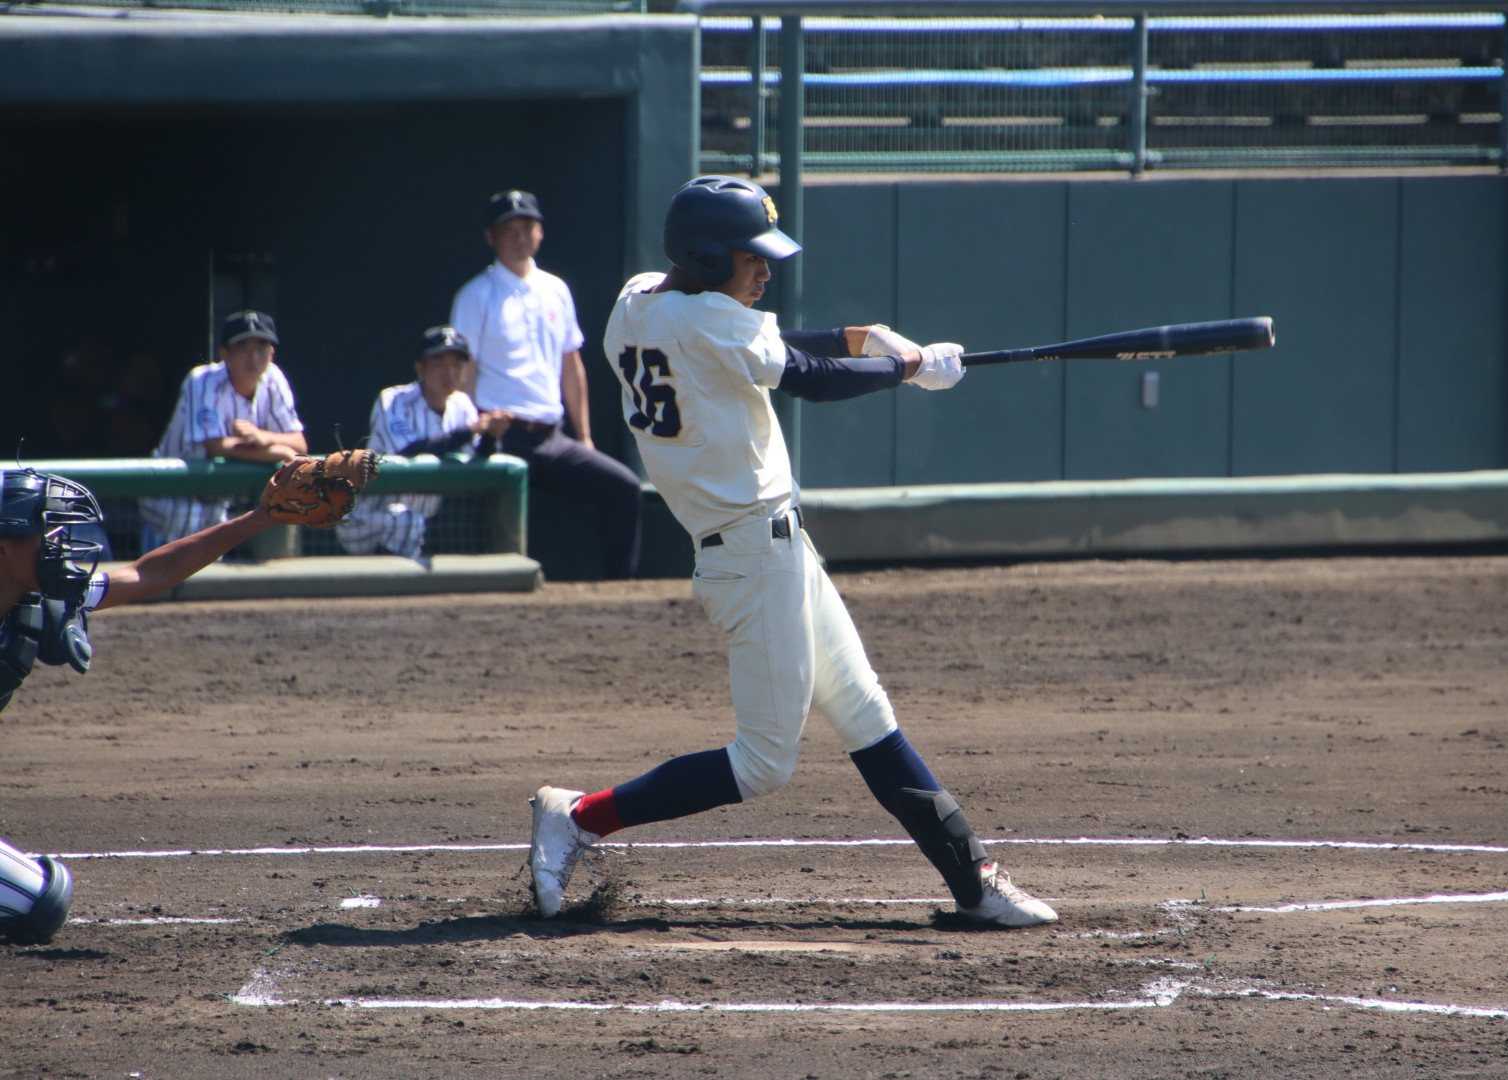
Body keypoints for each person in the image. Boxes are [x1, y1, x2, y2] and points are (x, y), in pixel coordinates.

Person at [526, 175, 1058, 928]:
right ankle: (579, 816)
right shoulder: (711, 318)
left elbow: (770, 348)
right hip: (750, 556)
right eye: (753, 259)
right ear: (709, 260)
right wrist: (906, 371)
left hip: (775, 548)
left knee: (867, 714)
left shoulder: (639, 297)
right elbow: (804, 377)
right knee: (763, 763)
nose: (766, 272)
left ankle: (973, 881)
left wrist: (867, 340)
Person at [0, 467, 285, 944]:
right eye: (41, 531)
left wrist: (259, 518)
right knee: (40, 904)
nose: (58, 541)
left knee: (44, 898)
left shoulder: (30, 602)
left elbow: (147, 573)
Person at [450, 189, 643, 580]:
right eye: (510, 229)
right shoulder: (475, 295)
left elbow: (571, 366)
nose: (520, 235)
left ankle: (620, 593)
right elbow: (462, 372)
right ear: (492, 236)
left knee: (624, 489)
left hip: (551, 438)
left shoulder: (556, 289)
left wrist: (584, 436)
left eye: (528, 226)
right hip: (498, 435)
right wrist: (470, 431)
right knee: (489, 534)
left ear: (539, 233)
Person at [337, 326, 512, 563]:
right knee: (408, 522)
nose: (449, 373)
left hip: (412, 522)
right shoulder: (393, 400)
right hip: (362, 516)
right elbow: (408, 453)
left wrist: (492, 435)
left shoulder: (462, 405)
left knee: (411, 525)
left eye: (457, 365)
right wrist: (471, 430)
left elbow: (477, 463)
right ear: (420, 368)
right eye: (439, 363)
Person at [138, 310, 307, 549]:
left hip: (220, 502)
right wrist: (277, 451)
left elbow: (299, 443)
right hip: (172, 494)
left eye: (261, 348)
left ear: (272, 353)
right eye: (244, 348)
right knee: (167, 572)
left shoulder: (274, 379)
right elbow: (215, 446)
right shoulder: (202, 380)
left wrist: (263, 437)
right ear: (225, 354)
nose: (254, 358)